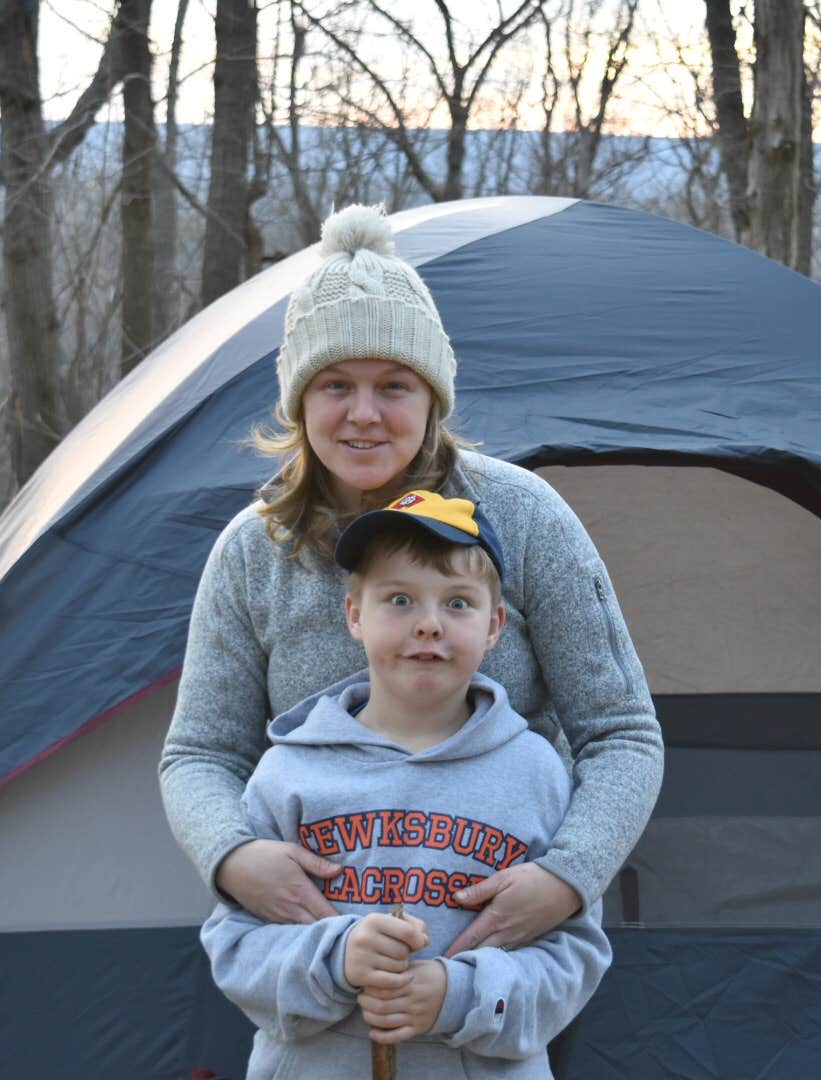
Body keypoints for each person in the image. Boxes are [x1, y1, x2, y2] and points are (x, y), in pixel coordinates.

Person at [160, 202, 661, 957]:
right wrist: (232, 855)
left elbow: (621, 732)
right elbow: (200, 752)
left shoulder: (522, 519)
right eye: (335, 385)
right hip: (317, 961)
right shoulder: (251, 552)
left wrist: (565, 877)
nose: (364, 414)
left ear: (433, 399)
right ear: (299, 401)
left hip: (504, 964)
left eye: (394, 384)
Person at [200, 493, 611, 1076]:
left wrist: (458, 995)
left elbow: (574, 958)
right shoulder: (286, 772)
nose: (428, 623)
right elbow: (236, 949)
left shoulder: (537, 773)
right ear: (354, 616)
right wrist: (337, 959)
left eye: (459, 603)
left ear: (495, 627)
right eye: (399, 599)